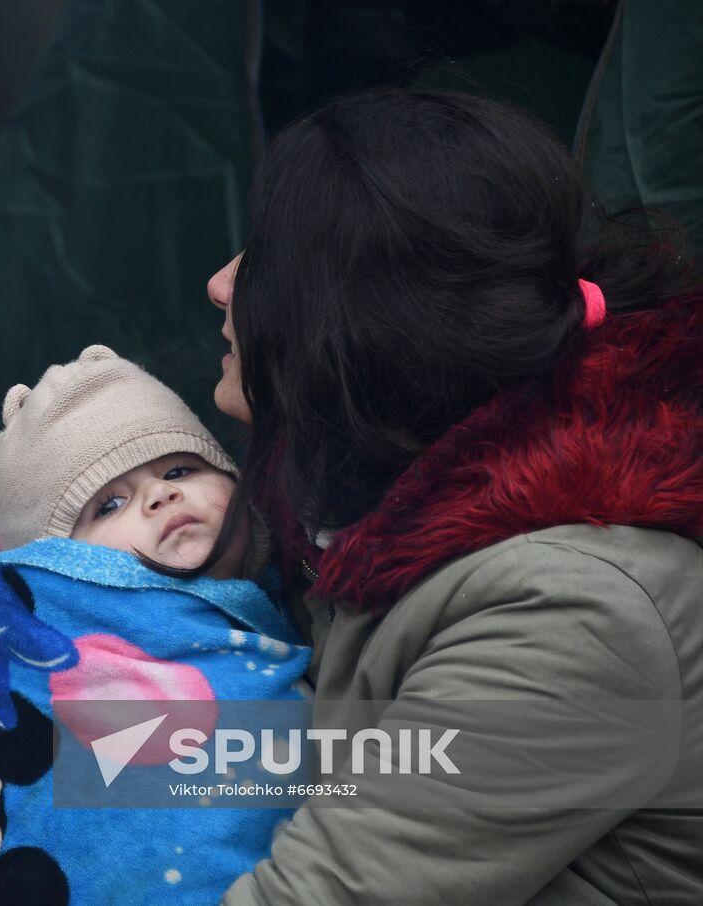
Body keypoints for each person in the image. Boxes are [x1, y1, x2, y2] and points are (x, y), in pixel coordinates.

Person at [202, 89, 703, 903]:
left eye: (270, 259)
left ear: (367, 326)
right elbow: (341, 753)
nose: (223, 284)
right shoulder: (379, 512)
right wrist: (39, 742)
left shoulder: (573, 612)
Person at [0, 346, 311, 905]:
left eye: (180, 469)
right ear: (60, 564)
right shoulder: (62, 683)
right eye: (108, 505)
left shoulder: (303, 598)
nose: (161, 495)